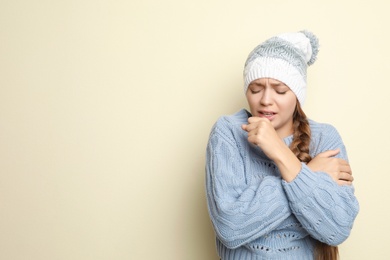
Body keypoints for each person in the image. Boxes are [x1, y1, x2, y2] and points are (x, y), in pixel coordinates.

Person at [205, 30, 359, 260]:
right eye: (256, 89)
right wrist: (309, 172)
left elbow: (337, 228)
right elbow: (230, 227)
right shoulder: (228, 132)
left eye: (280, 90)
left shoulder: (325, 139)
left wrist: (280, 155)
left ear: (297, 94)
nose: (266, 100)